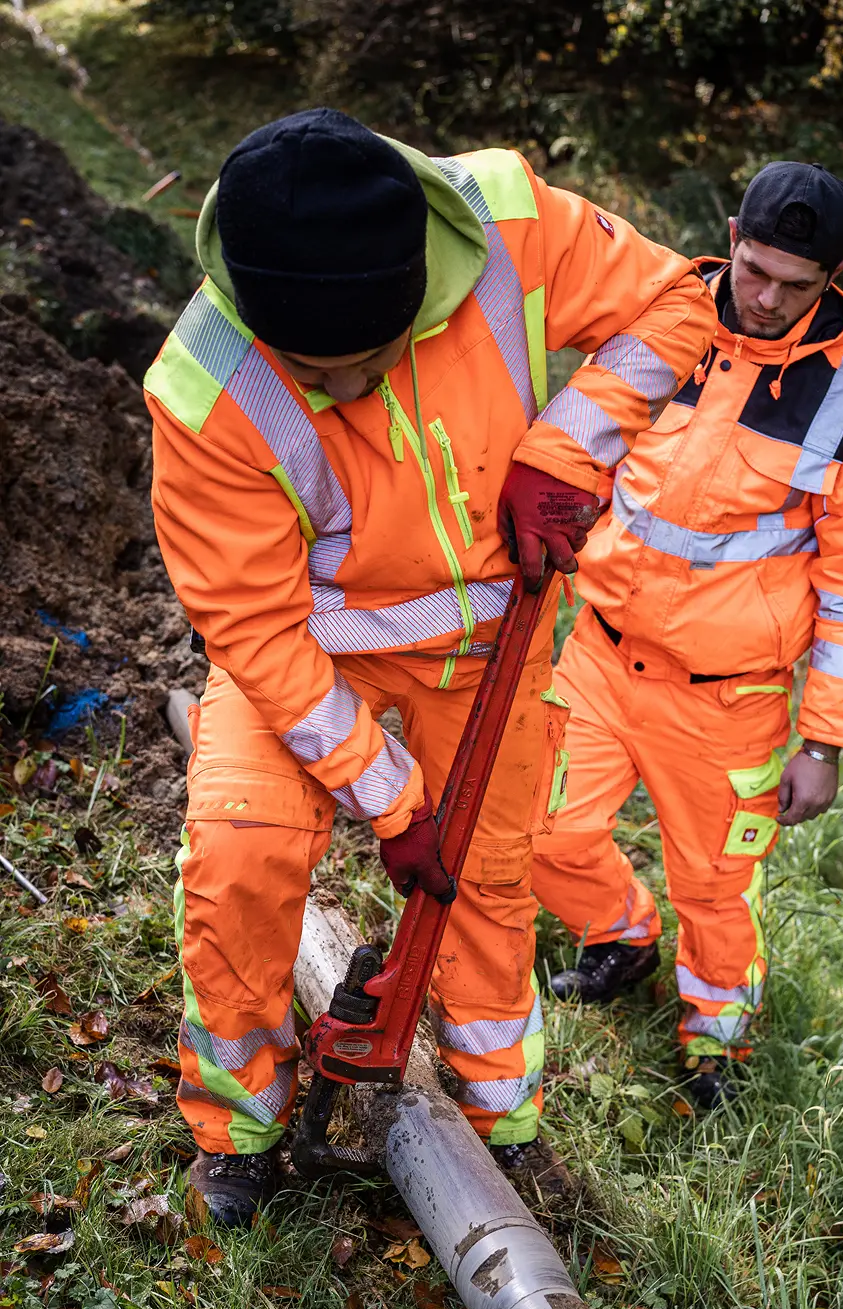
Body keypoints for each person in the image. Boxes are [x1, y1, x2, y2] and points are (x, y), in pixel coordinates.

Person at [143, 108, 715, 1225]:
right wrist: (394, 800)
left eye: (372, 359)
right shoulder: (204, 387)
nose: (354, 389)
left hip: (488, 640)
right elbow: (253, 627)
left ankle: (501, 1127)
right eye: (322, 373)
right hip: (307, 653)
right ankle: (238, 1130)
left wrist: (569, 446)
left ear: (416, 292)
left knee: (490, 881)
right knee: (239, 857)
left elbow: (678, 299)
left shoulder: (506, 218)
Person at [532, 162, 843, 1106]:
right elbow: (581, 447)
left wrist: (824, 743)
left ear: (833, 278)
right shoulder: (658, 325)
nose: (767, 299)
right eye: (754, 271)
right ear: (733, 239)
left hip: (729, 701)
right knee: (542, 833)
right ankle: (621, 936)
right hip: (597, 654)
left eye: (796, 285)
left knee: (715, 886)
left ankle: (717, 1044)